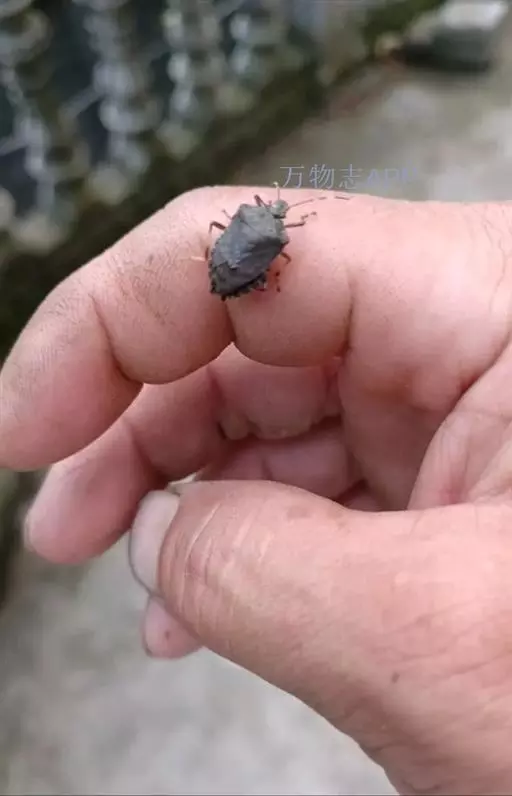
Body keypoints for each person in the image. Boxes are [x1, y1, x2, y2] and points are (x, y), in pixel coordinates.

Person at [1, 186, 512, 796]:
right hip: (236, 268)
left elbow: (237, 251)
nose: (276, 217)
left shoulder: (251, 227)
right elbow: (264, 264)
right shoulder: (273, 240)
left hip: (228, 264)